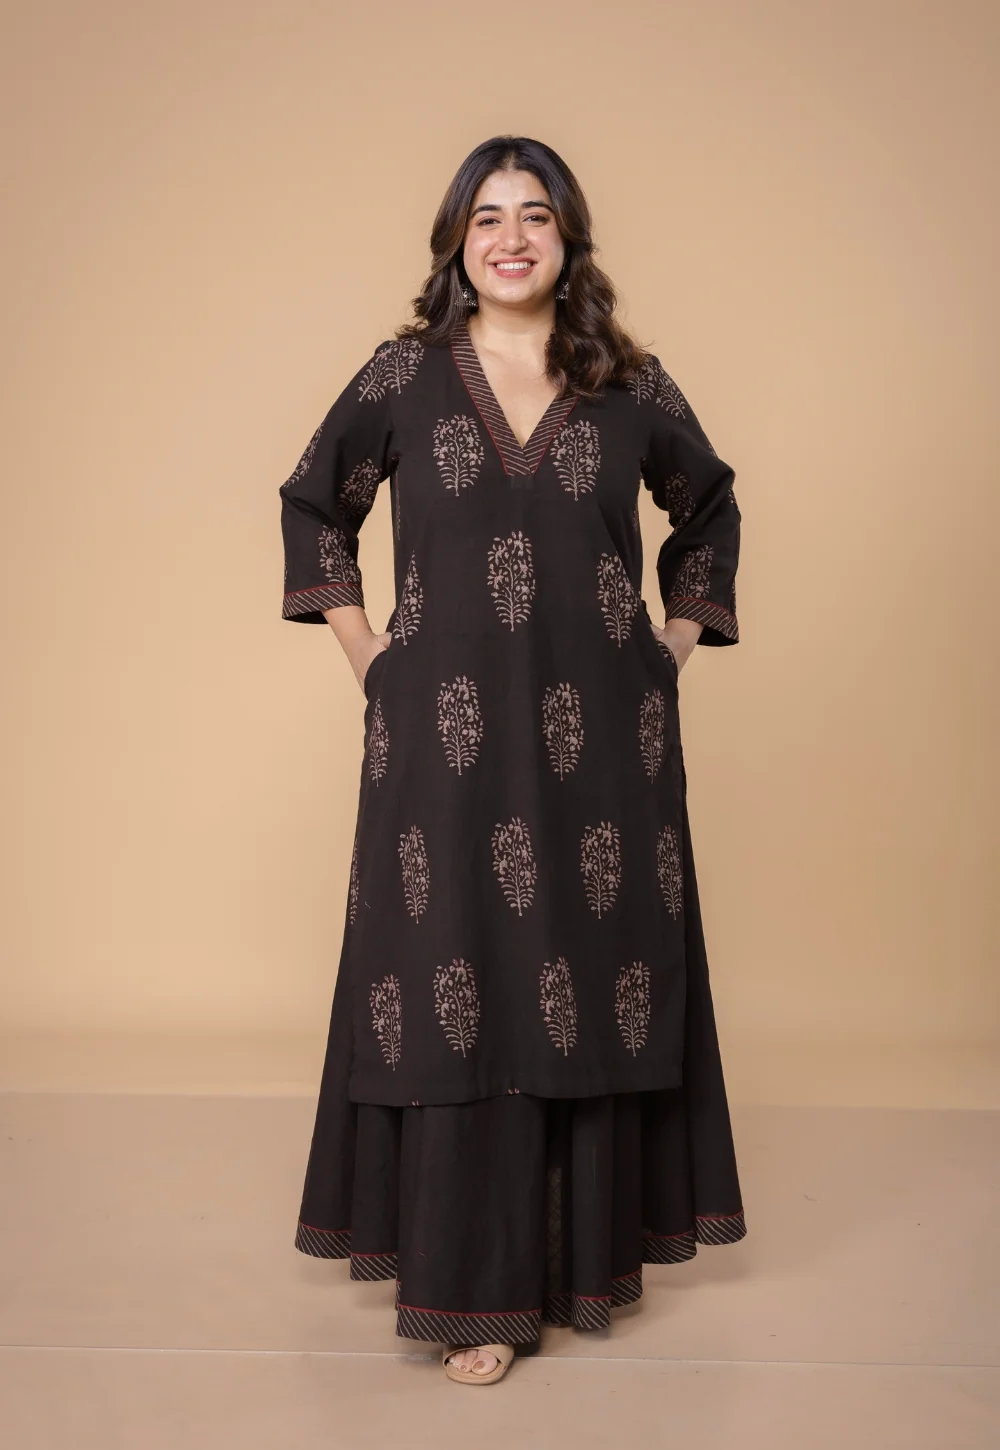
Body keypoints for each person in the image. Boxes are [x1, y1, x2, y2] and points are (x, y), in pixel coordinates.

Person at [278, 135, 746, 1386]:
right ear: (456, 242)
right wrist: (371, 655)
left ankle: (582, 1265)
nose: (510, 238)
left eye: (534, 215)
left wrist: (667, 649)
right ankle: (472, 1294)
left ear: (567, 237)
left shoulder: (626, 384)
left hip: (603, 749)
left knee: (582, 973)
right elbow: (314, 503)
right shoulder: (406, 376)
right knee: (457, 974)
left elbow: (707, 508)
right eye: (486, 217)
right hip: (441, 747)